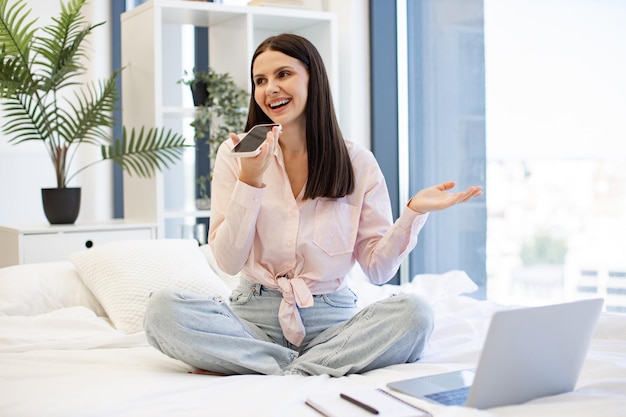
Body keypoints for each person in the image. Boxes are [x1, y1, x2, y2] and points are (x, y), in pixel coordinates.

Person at [144, 33, 483, 377]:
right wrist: (250, 180)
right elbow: (228, 262)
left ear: (312, 78)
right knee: (161, 312)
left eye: (283, 74)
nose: (270, 88)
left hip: (333, 324)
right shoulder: (237, 155)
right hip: (252, 319)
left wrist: (413, 213)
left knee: (416, 314)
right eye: (260, 80)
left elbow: (378, 271)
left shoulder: (357, 162)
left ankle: (269, 365)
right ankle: (307, 367)